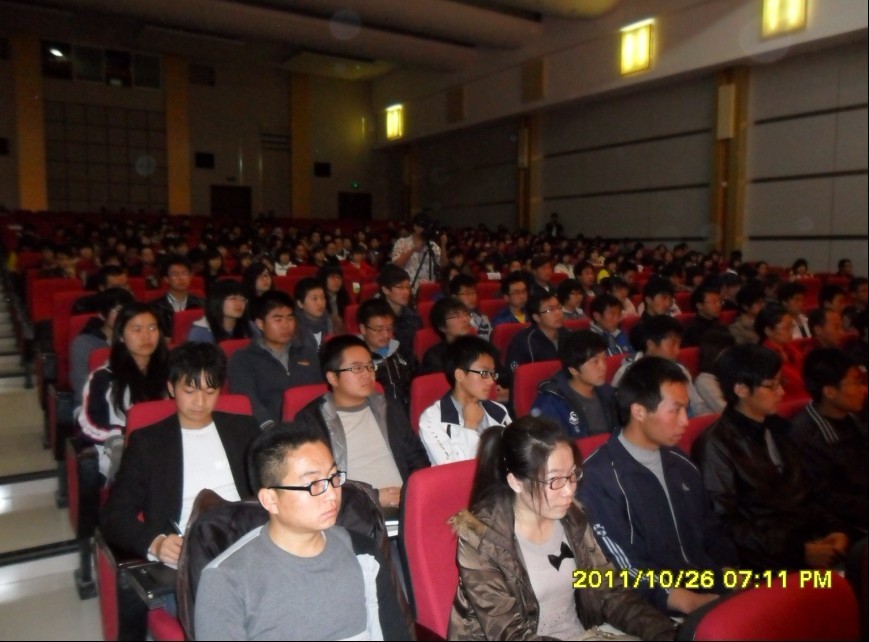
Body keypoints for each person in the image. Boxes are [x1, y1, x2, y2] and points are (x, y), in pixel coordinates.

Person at [448, 416, 678, 641]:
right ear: (516, 482)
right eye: (555, 480)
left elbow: (608, 591)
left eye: (572, 474)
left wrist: (661, 631)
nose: (569, 490)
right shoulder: (481, 538)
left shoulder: (572, 518)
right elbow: (508, 633)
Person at [195, 423, 410, 641]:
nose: (332, 494)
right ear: (270, 500)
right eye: (314, 484)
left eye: (334, 477)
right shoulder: (226, 580)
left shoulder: (362, 553)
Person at [579, 357, 737, 615]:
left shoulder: (681, 464)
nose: (685, 421)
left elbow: (711, 529)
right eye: (675, 410)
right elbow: (621, 566)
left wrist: (729, 574)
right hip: (654, 608)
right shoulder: (599, 478)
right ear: (639, 412)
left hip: (708, 588)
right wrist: (687, 601)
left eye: (686, 409)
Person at [693, 344, 850, 570]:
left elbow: (810, 491)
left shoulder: (781, 428)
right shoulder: (715, 445)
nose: (781, 392)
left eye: (780, 383)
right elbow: (727, 524)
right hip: (767, 562)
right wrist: (799, 552)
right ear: (741, 389)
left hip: (808, 541)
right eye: (771, 386)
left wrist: (835, 529)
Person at [101, 341, 259, 564]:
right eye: (190, 391)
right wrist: (156, 544)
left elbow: (272, 488)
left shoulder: (244, 429)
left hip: (249, 542)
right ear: (171, 387)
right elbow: (115, 515)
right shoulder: (148, 443)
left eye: (210, 391)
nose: (200, 402)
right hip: (190, 553)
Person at [292, 335, 430, 509]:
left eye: (370, 366)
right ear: (333, 378)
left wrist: (413, 492)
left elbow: (416, 455)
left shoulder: (388, 406)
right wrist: (372, 497)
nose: (367, 374)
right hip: (353, 510)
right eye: (357, 368)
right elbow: (315, 481)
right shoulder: (312, 420)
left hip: (407, 504)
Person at [77, 302, 170, 481]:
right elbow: (88, 424)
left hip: (164, 446)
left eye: (152, 328)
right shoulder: (104, 378)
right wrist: (124, 435)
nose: (147, 336)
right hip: (120, 451)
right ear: (120, 335)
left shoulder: (171, 373)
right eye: (137, 329)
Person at [790, 348, 868, 534]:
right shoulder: (808, 437)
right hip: (848, 526)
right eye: (856, 382)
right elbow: (830, 499)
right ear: (830, 391)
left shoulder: (851, 417)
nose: (863, 389)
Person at [227, 290, 322, 429]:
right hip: (269, 430)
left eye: (290, 318)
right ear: (260, 324)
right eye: (278, 320)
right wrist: (270, 427)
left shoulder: (307, 353)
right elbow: (248, 400)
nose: (285, 325)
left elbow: (320, 393)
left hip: (311, 427)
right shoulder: (243, 358)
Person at [418, 336, 511, 465]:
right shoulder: (431, 420)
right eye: (484, 373)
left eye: (493, 374)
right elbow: (454, 470)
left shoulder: (498, 411)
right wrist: (470, 426)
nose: (491, 381)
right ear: (460, 375)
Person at [613, 315, 711, 416]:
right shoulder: (626, 373)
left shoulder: (680, 370)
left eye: (679, 345)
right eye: (672, 344)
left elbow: (698, 406)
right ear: (651, 345)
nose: (677, 351)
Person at [531, 330, 619, 438]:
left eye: (605, 359)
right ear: (573, 370)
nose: (603, 367)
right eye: (595, 362)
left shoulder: (608, 393)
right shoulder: (551, 404)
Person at [69, 287, 135, 410]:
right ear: (102, 315)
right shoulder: (84, 343)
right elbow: (82, 387)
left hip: (129, 402)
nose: (124, 316)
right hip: (90, 405)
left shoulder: (137, 339)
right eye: (118, 310)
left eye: (127, 310)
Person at [357, 299, 415, 411]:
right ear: (363, 329)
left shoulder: (402, 351)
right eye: (379, 329)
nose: (386, 334)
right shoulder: (356, 361)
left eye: (389, 328)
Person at [505, 292, 570, 373]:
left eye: (559, 307)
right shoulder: (523, 341)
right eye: (550, 310)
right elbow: (515, 372)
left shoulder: (568, 334)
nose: (558, 313)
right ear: (536, 317)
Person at [390, 213, 447, 292]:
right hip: (408, 287)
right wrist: (413, 250)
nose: (426, 230)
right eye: (424, 227)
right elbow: (396, 265)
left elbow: (443, 264)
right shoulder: (402, 242)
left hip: (427, 288)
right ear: (415, 227)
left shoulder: (432, 245)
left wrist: (443, 245)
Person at [377, 263, 422, 362]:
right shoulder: (377, 318)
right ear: (385, 289)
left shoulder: (413, 316)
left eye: (408, 287)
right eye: (400, 287)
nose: (406, 292)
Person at [152, 255, 205, 341]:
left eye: (184, 274)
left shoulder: (202, 304)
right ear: (166, 279)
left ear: (190, 276)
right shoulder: (154, 308)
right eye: (175, 275)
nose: (181, 278)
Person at [187, 278, 251, 344]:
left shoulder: (250, 327)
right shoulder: (200, 332)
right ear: (217, 301)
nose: (240, 303)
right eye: (233, 298)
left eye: (243, 299)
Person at [420, 298, 473, 375]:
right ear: (442, 327)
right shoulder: (434, 357)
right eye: (456, 316)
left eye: (466, 314)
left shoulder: (478, 347)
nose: (465, 319)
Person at [694, 329, 735, 414]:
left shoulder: (729, 373)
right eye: (727, 352)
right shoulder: (704, 380)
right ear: (714, 353)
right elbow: (723, 409)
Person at [293, 277, 333, 363]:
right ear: (300, 303)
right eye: (315, 299)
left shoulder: (335, 322)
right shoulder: (293, 327)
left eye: (323, 298)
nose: (320, 303)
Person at [681, 282, 726, 348]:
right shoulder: (693, 330)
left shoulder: (720, 325)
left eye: (720, 301)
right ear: (699, 306)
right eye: (714, 302)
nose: (719, 305)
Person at [450, 274, 493, 341]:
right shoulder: (451, 321)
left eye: (473, 292)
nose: (472, 297)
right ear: (454, 297)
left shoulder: (482, 318)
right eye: (467, 293)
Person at [318, 264, 351, 334]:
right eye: (332, 277)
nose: (337, 281)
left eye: (339, 278)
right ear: (323, 279)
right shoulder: (317, 299)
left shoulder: (344, 296)